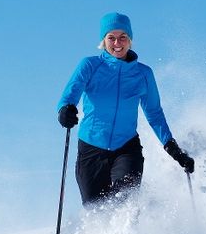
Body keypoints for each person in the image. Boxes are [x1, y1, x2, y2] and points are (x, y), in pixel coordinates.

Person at [57, 12, 194, 207]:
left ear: (130, 40)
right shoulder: (90, 65)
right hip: (91, 149)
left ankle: (135, 226)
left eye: (123, 37)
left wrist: (172, 147)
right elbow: (69, 95)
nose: (117, 43)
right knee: (96, 212)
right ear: (103, 41)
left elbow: (154, 114)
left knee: (125, 201)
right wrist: (65, 110)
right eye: (111, 37)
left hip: (126, 148)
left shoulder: (143, 74)